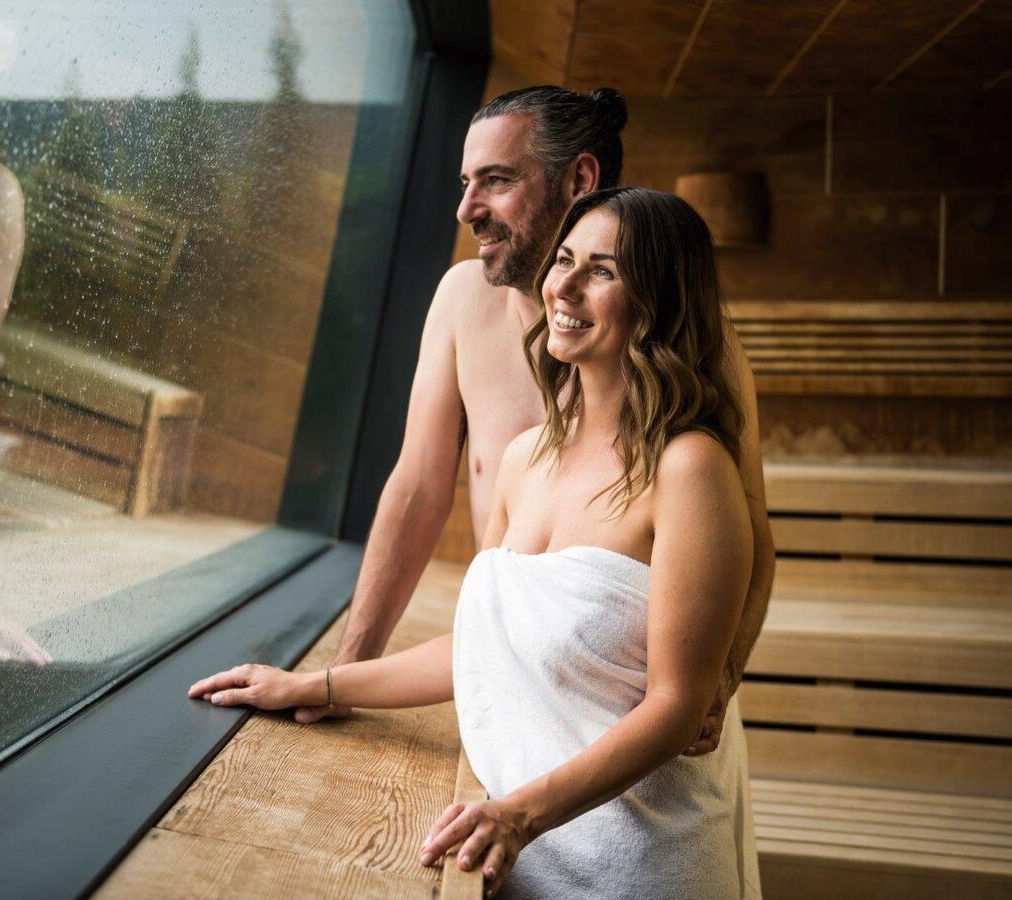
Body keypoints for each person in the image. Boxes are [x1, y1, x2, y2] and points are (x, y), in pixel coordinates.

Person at [189, 187, 761, 898]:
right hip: (512, 849)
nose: (565, 288)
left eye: (603, 271)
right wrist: (316, 685)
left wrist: (521, 814)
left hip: (634, 862)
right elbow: (480, 649)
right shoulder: (526, 457)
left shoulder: (690, 470)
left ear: (660, 302)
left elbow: (678, 707)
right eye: (564, 261)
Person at [296, 86, 774, 756]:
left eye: (496, 181)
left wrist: (715, 686)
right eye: (465, 183)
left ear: (579, 179)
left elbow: (749, 531)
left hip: (635, 716)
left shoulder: (694, 342)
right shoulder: (462, 299)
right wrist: (345, 674)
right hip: (511, 691)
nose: (467, 209)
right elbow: (418, 490)